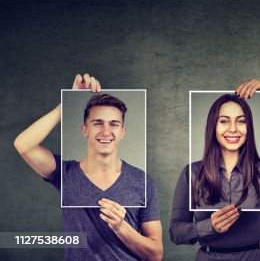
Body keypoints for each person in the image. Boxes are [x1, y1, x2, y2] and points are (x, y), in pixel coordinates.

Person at [13, 74, 163, 260]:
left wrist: (121, 227)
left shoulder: (143, 181)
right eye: (97, 123)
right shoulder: (65, 173)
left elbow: (156, 255)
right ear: (85, 130)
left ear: (122, 132)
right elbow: (23, 145)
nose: (106, 131)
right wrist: (66, 104)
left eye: (114, 124)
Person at [169, 79, 260, 260]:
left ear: (249, 128)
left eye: (241, 121)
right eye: (224, 121)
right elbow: (176, 232)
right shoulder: (191, 173)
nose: (233, 129)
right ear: (213, 127)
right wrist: (209, 226)